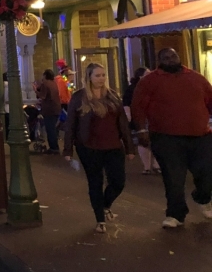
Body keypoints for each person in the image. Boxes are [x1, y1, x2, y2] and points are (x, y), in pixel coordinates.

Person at [130, 47, 212, 229]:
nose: (170, 59)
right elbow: (138, 106)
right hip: (166, 137)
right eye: (165, 57)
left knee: (206, 172)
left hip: (200, 135)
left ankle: (202, 197)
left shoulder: (196, 78)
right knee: (174, 178)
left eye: (173, 56)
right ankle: (176, 214)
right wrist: (141, 130)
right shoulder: (150, 81)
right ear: (160, 61)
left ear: (178, 56)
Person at [63, 63, 134, 233]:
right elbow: (71, 123)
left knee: (118, 181)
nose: (101, 79)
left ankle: (105, 204)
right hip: (89, 146)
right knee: (95, 182)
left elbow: (123, 123)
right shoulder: (79, 97)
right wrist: (68, 149)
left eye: (103, 75)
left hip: (113, 146)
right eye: (97, 76)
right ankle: (100, 219)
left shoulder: (113, 96)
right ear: (89, 77)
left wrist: (129, 147)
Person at [123, 67, 159, 175]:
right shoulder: (132, 89)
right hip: (139, 118)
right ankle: (147, 166)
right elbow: (126, 103)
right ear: (140, 76)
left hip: (152, 117)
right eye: (147, 74)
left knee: (155, 140)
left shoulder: (153, 87)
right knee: (143, 141)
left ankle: (156, 165)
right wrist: (129, 117)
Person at [37, 69, 63, 153]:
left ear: (45, 75)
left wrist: (35, 90)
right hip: (56, 108)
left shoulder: (45, 84)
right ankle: (55, 147)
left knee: (50, 129)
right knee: (53, 129)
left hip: (49, 110)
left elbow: (43, 96)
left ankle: (54, 148)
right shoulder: (54, 83)